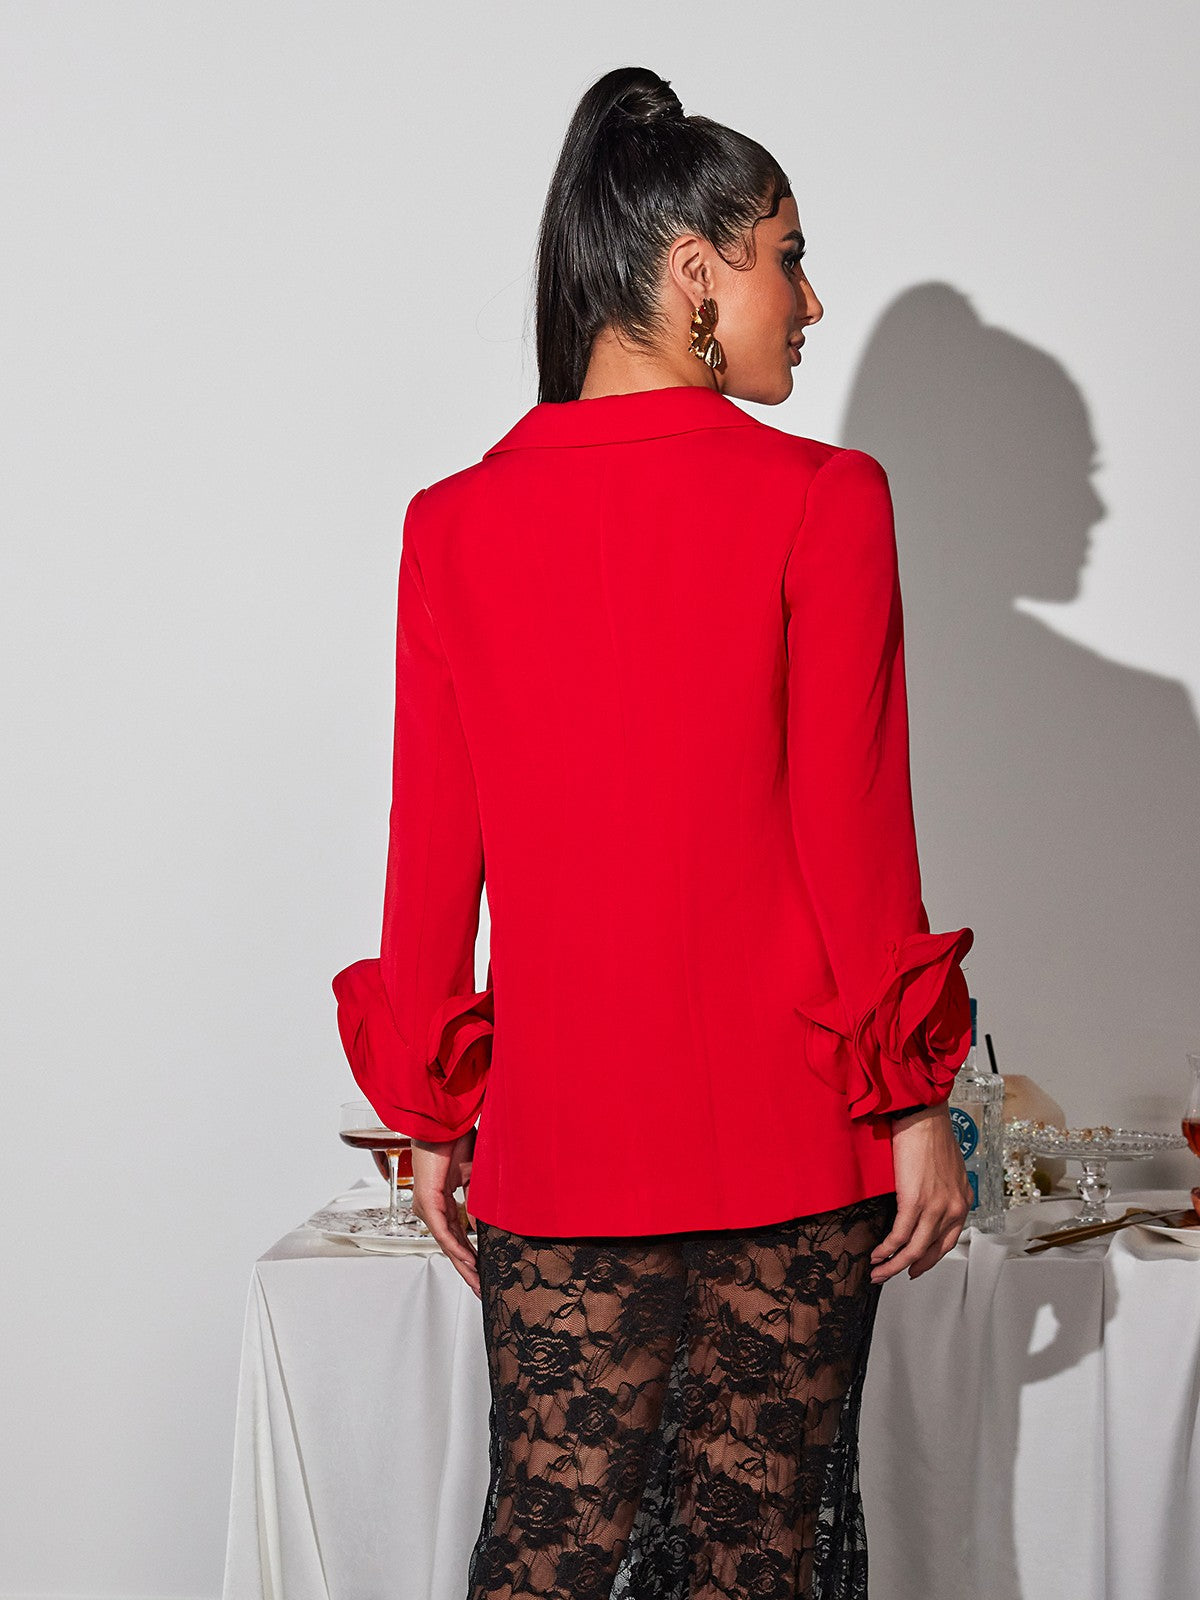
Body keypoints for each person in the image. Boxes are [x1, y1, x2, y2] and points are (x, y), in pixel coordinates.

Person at [333, 64, 975, 1600]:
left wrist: (432, 1111)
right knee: (753, 1568)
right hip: (790, 1144)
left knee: (547, 1557)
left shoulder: (453, 524)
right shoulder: (826, 498)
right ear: (695, 269)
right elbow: (854, 840)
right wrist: (911, 1104)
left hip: (562, 1152)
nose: (809, 303)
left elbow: (433, 853)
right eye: (787, 258)